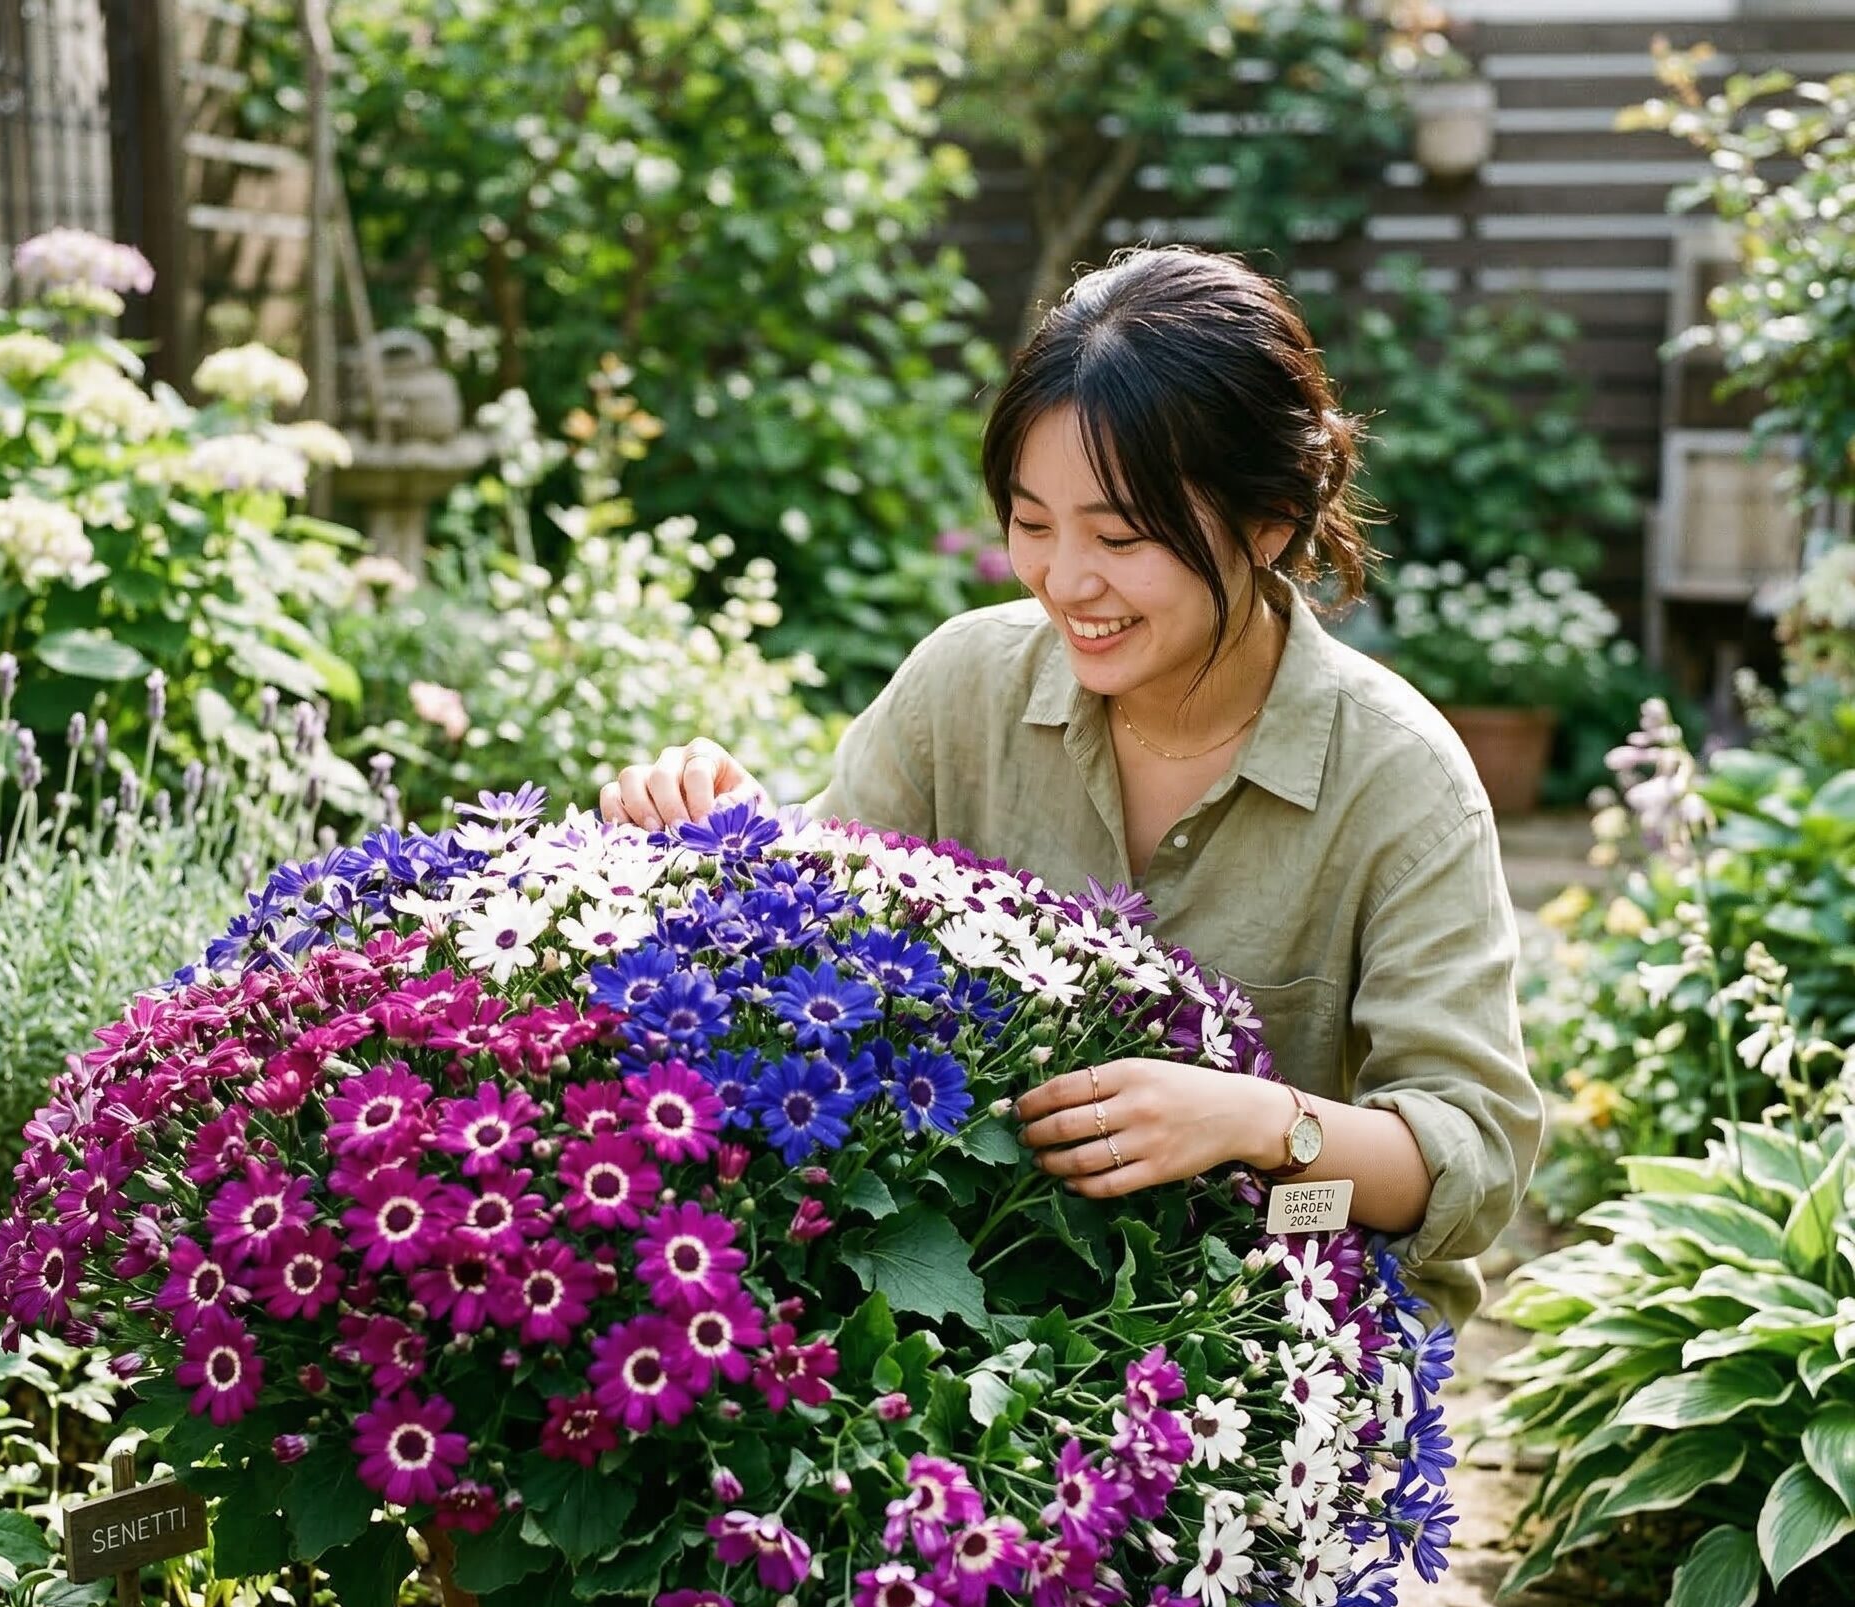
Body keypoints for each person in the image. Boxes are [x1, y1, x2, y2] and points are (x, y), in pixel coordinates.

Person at [600, 245, 1543, 1328]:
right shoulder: (963, 687)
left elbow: (1466, 1159)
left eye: (1120, 536)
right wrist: (705, 811)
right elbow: (824, 905)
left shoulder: (1399, 780)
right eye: (1033, 523)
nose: (1065, 580)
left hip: (1266, 1343)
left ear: (1269, 520)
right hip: (973, 1310)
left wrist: (1254, 1120)